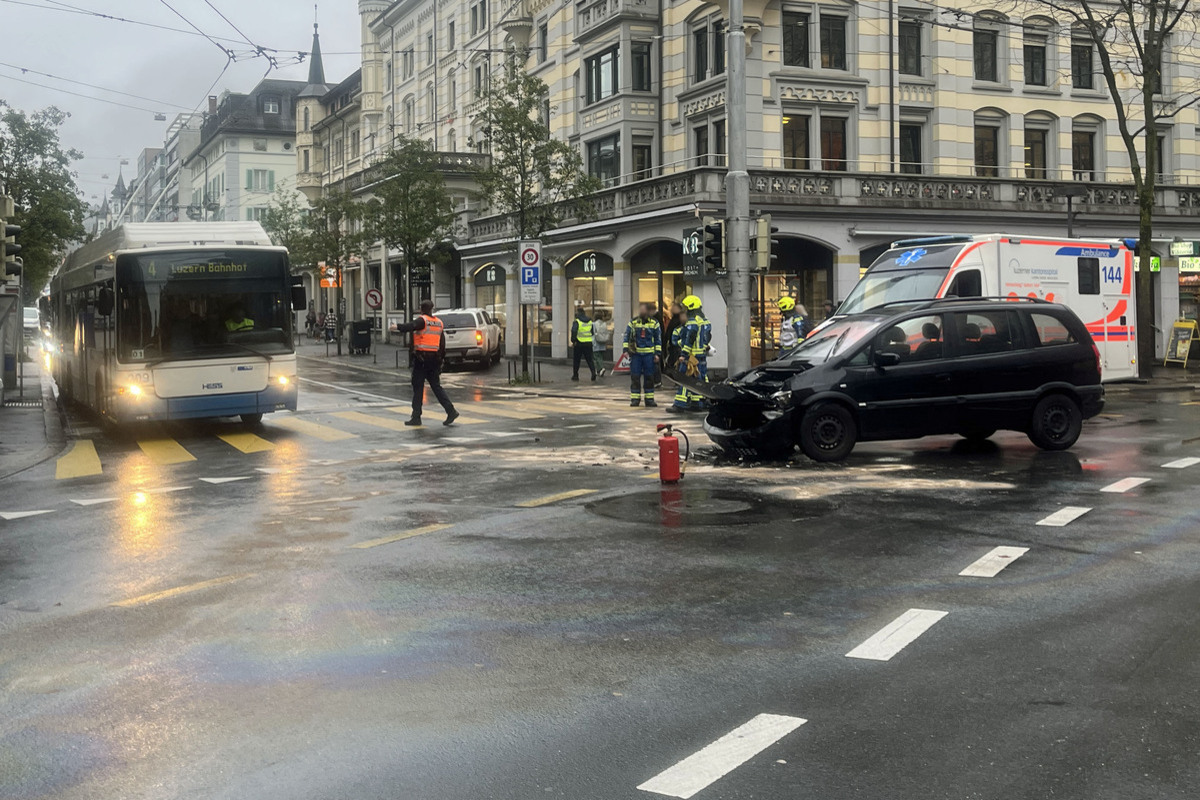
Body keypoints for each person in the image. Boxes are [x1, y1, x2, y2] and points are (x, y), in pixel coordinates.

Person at [390, 299, 460, 426]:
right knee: (436, 387)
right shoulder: (439, 323)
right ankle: (451, 411)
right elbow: (442, 344)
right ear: (431, 309)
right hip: (434, 360)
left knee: (418, 388)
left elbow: (411, 326)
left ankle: (416, 417)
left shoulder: (422, 320)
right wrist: (440, 360)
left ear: (421, 309)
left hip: (421, 359)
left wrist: (397, 327)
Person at [671, 294, 712, 413]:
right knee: (700, 378)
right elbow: (707, 338)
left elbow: (689, 340)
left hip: (691, 356)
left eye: (685, 308)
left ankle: (680, 404)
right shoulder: (706, 321)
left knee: (685, 378)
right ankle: (698, 402)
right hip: (701, 356)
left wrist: (683, 354)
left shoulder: (692, 323)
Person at [624, 303, 662, 407]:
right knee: (635, 377)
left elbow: (658, 339)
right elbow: (627, 336)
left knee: (649, 377)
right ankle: (635, 399)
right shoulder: (633, 322)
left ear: (648, 311)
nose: (641, 312)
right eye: (640, 309)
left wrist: (657, 354)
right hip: (636, 355)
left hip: (649, 355)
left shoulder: (654, 323)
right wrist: (626, 350)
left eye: (643, 310)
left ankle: (649, 399)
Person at [570, 304, 597, 381]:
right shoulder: (589, 321)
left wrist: (573, 340)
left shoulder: (577, 321)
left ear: (578, 313)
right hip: (588, 343)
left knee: (576, 360)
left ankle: (575, 375)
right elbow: (592, 332)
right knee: (590, 360)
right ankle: (593, 372)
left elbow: (574, 331)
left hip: (579, 343)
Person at [592, 313, 610, 377]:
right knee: (600, 356)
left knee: (596, 357)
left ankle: (602, 368)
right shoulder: (604, 324)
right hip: (602, 343)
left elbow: (592, 332)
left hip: (596, 343)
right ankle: (598, 370)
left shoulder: (594, 324)